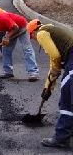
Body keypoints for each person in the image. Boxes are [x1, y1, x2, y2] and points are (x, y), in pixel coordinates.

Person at [27, 19, 73, 148]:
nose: (34, 40)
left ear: (32, 33)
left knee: (67, 100)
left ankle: (62, 137)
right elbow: (54, 63)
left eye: (32, 37)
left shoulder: (41, 33)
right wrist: (48, 88)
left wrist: (56, 69)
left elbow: (55, 56)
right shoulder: (54, 31)